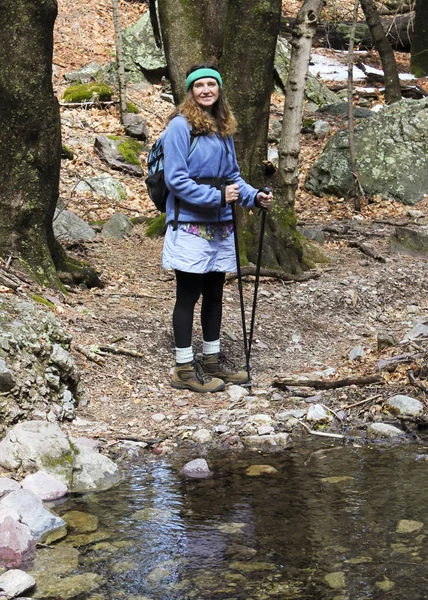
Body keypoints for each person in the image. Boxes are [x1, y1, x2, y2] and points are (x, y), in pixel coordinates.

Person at [161, 63, 272, 393]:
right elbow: (176, 179)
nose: (206, 90)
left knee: (214, 294)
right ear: (190, 91)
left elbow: (233, 177)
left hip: (220, 225)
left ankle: (211, 359)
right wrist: (217, 195)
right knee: (188, 295)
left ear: (219, 89)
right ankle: (183, 367)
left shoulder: (223, 127)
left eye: (212, 84)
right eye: (200, 85)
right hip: (190, 223)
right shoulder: (180, 127)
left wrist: (254, 197)